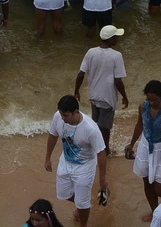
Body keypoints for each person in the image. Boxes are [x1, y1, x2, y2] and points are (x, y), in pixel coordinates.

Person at [44, 94, 108, 225]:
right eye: (61, 114)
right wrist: (47, 158)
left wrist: (102, 178)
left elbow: (101, 153)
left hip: (85, 166)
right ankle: (83, 205)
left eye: (65, 115)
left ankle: (83, 221)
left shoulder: (91, 129)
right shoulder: (58, 117)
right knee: (63, 194)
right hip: (65, 162)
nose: (62, 118)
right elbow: (52, 136)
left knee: (82, 202)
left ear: (75, 112)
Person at [125, 80, 161, 220]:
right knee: (147, 183)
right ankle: (155, 213)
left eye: (155, 100)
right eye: (149, 99)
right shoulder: (142, 106)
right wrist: (131, 144)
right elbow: (139, 125)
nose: (152, 103)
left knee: (159, 189)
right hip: (146, 147)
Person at [75, 26, 128, 149]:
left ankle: (96, 146)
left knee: (96, 124)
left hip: (94, 96)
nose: (118, 39)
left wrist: (76, 91)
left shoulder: (91, 52)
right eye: (116, 37)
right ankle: (105, 150)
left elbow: (81, 74)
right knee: (105, 127)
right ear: (111, 39)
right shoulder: (116, 55)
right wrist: (124, 96)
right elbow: (118, 80)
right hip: (107, 97)